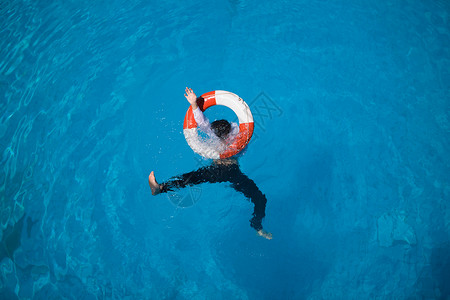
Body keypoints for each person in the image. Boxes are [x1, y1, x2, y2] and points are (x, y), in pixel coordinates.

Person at [148, 87, 272, 240]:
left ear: (227, 134)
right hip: (219, 170)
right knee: (192, 178)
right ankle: (159, 188)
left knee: (260, 199)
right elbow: (201, 121)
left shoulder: (238, 134)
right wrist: (194, 104)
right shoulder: (213, 132)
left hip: (232, 171)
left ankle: (257, 226)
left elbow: (243, 139)